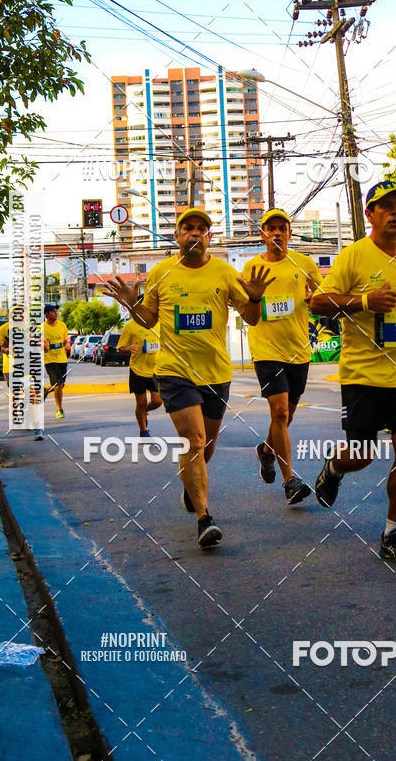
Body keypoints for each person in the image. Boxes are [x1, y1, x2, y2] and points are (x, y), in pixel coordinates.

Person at [104, 208, 274, 548]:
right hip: (173, 372)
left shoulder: (225, 272)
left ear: (209, 237)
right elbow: (148, 319)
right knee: (194, 441)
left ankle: (190, 487)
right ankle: (204, 518)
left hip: (215, 372)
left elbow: (253, 319)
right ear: (178, 236)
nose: (195, 234)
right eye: (188, 228)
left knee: (205, 448)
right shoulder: (162, 273)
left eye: (202, 229)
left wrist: (255, 296)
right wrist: (132, 304)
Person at [310, 180, 396, 565]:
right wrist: (364, 301)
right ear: (370, 214)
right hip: (362, 374)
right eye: (387, 206)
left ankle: (392, 533)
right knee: (362, 453)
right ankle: (334, 467)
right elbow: (318, 302)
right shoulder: (353, 256)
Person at [241, 208, 322, 504]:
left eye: (282, 228)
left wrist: (316, 299)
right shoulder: (251, 267)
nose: (276, 233)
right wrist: (254, 296)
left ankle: (266, 451)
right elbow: (245, 309)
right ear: (262, 234)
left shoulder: (304, 263)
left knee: (286, 416)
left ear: (289, 233)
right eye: (270, 228)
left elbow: (323, 295)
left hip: (299, 350)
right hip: (266, 349)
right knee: (279, 412)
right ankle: (290, 481)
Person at [117, 303, 163, 436]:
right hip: (138, 370)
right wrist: (129, 348)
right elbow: (120, 348)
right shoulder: (130, 326)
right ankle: (143, 431)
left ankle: (142, 412)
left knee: (157, 401)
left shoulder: (159, 323)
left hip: (155, 370)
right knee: (141, 402)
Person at [43, 304, 70, 419]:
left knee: (60, 385)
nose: (56, 313)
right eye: (53, 312)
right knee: (58, 384)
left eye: (56, 311)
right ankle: (59, 410)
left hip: (62, 358)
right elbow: (40, 343)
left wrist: (68, 345)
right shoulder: (41, 328)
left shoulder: (62, 325)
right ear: (47, 314)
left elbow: (65, 341)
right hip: (49, 359)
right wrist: (43, 345)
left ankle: (45, 390)